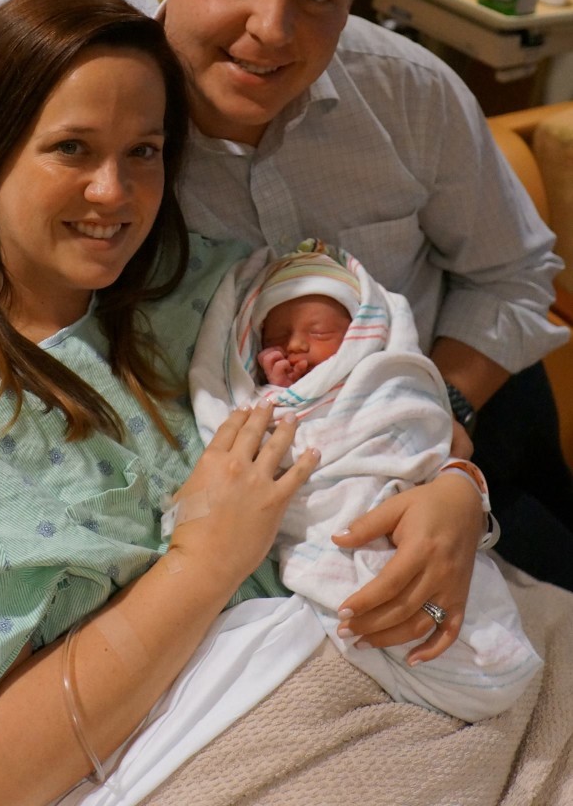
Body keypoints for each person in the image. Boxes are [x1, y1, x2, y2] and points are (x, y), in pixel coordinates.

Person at [0, 0, 326, 806]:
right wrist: (203, 560)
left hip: (364, 666)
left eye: (143, 150)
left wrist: (447, 487)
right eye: (71, 149)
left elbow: (372, 384)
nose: (114, 193)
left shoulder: (216, 294)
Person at [150, 0, 573, 590]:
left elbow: (515, 273)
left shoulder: (411, 95)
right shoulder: (91, 113)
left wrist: (440, 417)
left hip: (458, 425)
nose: (272, 30)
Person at [189, 239, 541, 721]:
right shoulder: (270, 396)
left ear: (360, 332)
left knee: (436, 583)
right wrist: (277, 384)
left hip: (416, 495)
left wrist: (459, 478)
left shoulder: (386, 380)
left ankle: (448, 633)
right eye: (276, 336)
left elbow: (416, 428)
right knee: (373, 601)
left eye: (317, 331)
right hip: (321, 517)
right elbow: (256, 428)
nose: (294, 345)